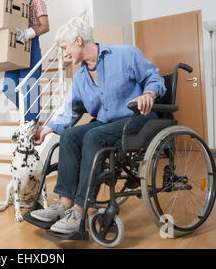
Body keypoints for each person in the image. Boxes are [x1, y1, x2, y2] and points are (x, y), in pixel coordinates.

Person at [30, 16, 166, 234]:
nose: (64, 54)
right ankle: (64, 204)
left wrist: (148, 94)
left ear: (78, 40)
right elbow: (71, 110)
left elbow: (154, 78)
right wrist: (46, 131)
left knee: (93, 137)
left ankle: (80, 209)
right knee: (70, 136)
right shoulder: (81, 77)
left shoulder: (124, 54)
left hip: (137, 118)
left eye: (65, 48)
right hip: (106, 124)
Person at [3, 0, 50, 121]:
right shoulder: (12, 4)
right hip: (15, 48)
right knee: (8, 88)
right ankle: (28, 116)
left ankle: (31, 123)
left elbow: (45, 26)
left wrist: (30, 33)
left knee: (29, 87)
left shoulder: (36, 1)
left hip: (31, 47)